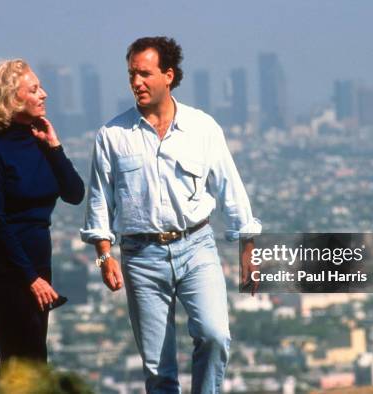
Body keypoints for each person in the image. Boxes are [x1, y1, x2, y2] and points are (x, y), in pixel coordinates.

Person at [81, 37, 261, 394]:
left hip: (197, 247)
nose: (136, 82)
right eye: (131, 74)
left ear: (169, 75)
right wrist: (104, 255)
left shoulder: (203, 128)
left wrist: (247, 248)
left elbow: (230, 187)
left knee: (214, 335)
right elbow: (99, 201)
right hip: (140, 256)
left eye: (144, 74)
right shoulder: (112, 136)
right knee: (158, 367)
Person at [0, 59, 84, 376]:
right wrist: (30, 278)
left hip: (36, 259)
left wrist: (55, 147)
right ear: (12, 100)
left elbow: (74, 194)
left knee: (34, 356)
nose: (44, 94)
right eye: (33, 89)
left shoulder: (41, 142)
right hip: (2, 264)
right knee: (20, 357)